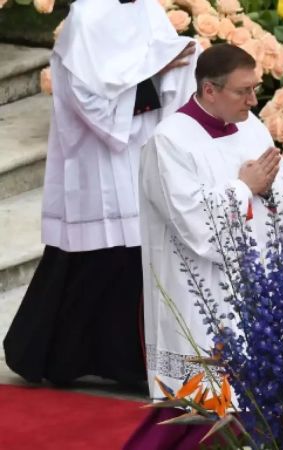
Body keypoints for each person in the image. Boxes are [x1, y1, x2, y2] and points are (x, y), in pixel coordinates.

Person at [3, 0, 197, 388]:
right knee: (93, 261)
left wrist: (183, 64)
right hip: (98, 161)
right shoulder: (87, 17)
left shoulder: (148, 10)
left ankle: (128, 363)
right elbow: (83, 95)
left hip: (141, 147)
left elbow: (171, 66)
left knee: (133, 260)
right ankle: (52, 355)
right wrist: (150, 78)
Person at [123, 43, 283, 449]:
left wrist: (270, 190)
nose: (254, 99)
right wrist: (245, 188)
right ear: (209, 91)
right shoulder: (169, 141)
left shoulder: (251, 125)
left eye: (255, 88)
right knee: (200, 399)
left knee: (254, 391)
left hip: (253, 283)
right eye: (244, 91)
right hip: (198, 291)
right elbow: (193, 222)